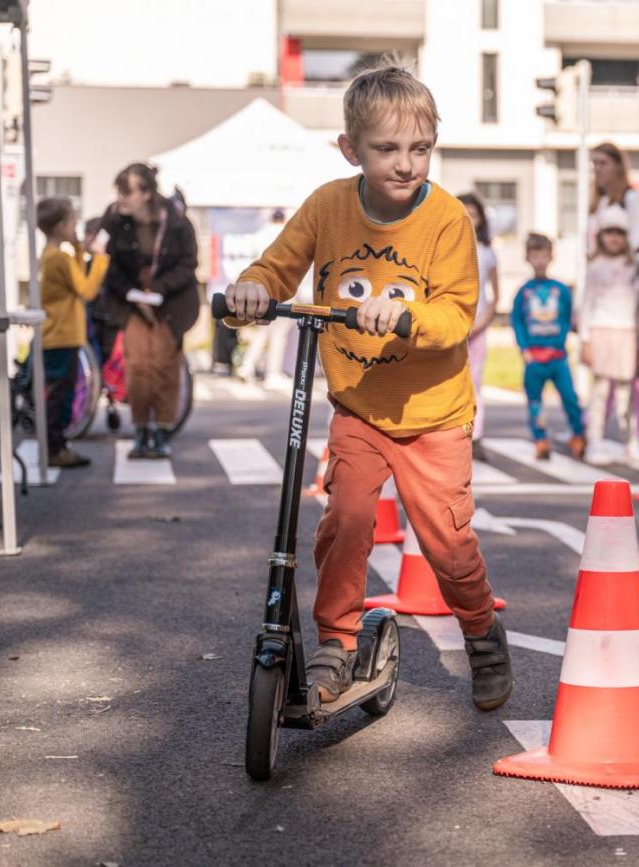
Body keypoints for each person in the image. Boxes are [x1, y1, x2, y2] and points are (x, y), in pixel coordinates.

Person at [222, 61, 512, 711]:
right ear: (350, 149)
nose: (407, 164)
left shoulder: (446, 219)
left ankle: (481, 631)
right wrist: (252, 291)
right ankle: (336, 642)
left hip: (434, 414)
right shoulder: (328, 205)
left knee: (447, 545)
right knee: (346, 521)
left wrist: (408, 316)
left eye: (420, 148)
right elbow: (277, 267)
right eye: (387, 149)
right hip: (359, 407)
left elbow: (457, 313)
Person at [99, 162, 199, 459]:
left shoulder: (176, 221)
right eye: (119, 191)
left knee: (165, 366)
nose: (121, 198)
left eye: (127, 192)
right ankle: (141, 430)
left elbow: (188, 264)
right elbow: (109, 265)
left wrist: (157, 290)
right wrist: (133, 295)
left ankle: (163, 430)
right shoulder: (115, 220)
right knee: (138, 367)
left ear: (146, 193)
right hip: (131, 303)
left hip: (171, 303)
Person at [587, 142, 639, 460]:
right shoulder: (600, 205)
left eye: (603, 163)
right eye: (594, 164)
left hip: (631, 314)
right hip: (604, 321)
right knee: (601, 387)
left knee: (631, 386)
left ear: (619, 165)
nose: (598, 170)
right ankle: (596, 435)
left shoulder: (636, 202)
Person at [37, 197, 109, 468]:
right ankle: (55, 449)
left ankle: (57, 446)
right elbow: (86, 290)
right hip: (62, 336)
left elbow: (75, 280)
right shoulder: (59, 258)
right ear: (60, 226)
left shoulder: (53, 255)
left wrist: (79, 249)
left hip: (60, 335)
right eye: (71, 222)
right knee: (61, 396)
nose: (75, 226)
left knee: (60, 393)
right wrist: (100, 259)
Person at [510, 233, 585, 461]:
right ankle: (540, 439)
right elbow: (517, 322)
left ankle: (578, 434)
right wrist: (524, 349)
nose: (540, 261)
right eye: (535, 256)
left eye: (544, 256)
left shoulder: (560, 289)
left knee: (570, 398)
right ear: (527, 258)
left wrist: (563, 339)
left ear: (551, 256)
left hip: (558, 357)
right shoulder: (524, 291)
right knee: (535, 402)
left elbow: (568, 317)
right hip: (534, 358)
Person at [579, 204, 639, 466]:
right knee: (601, 391)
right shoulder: (594, 266)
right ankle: (595, 439)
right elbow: (586, 304)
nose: (614, 238)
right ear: (601, 236)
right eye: (609, 232)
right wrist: (585, 339)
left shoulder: (634, 266)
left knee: (626, 394)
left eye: (619, 233)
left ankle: (632, 441)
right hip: (601, 329)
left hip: (627, 331)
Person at [236, 209, 307, 390]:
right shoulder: (287, 234)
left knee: (262, 332)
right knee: (278, 335)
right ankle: (272, 373)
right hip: (284, 290)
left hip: (262, 289)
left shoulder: (261, 234)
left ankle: (247, 366)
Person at [457, 192, 499, 459]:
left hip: (478, 328)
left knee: (474, 383)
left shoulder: (487, 252)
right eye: (465, 213)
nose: (470, 219)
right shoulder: (447, 248)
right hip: (452, 326)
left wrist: (482, 323)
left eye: (474, 214)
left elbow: (495, 294)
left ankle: (476, 435)